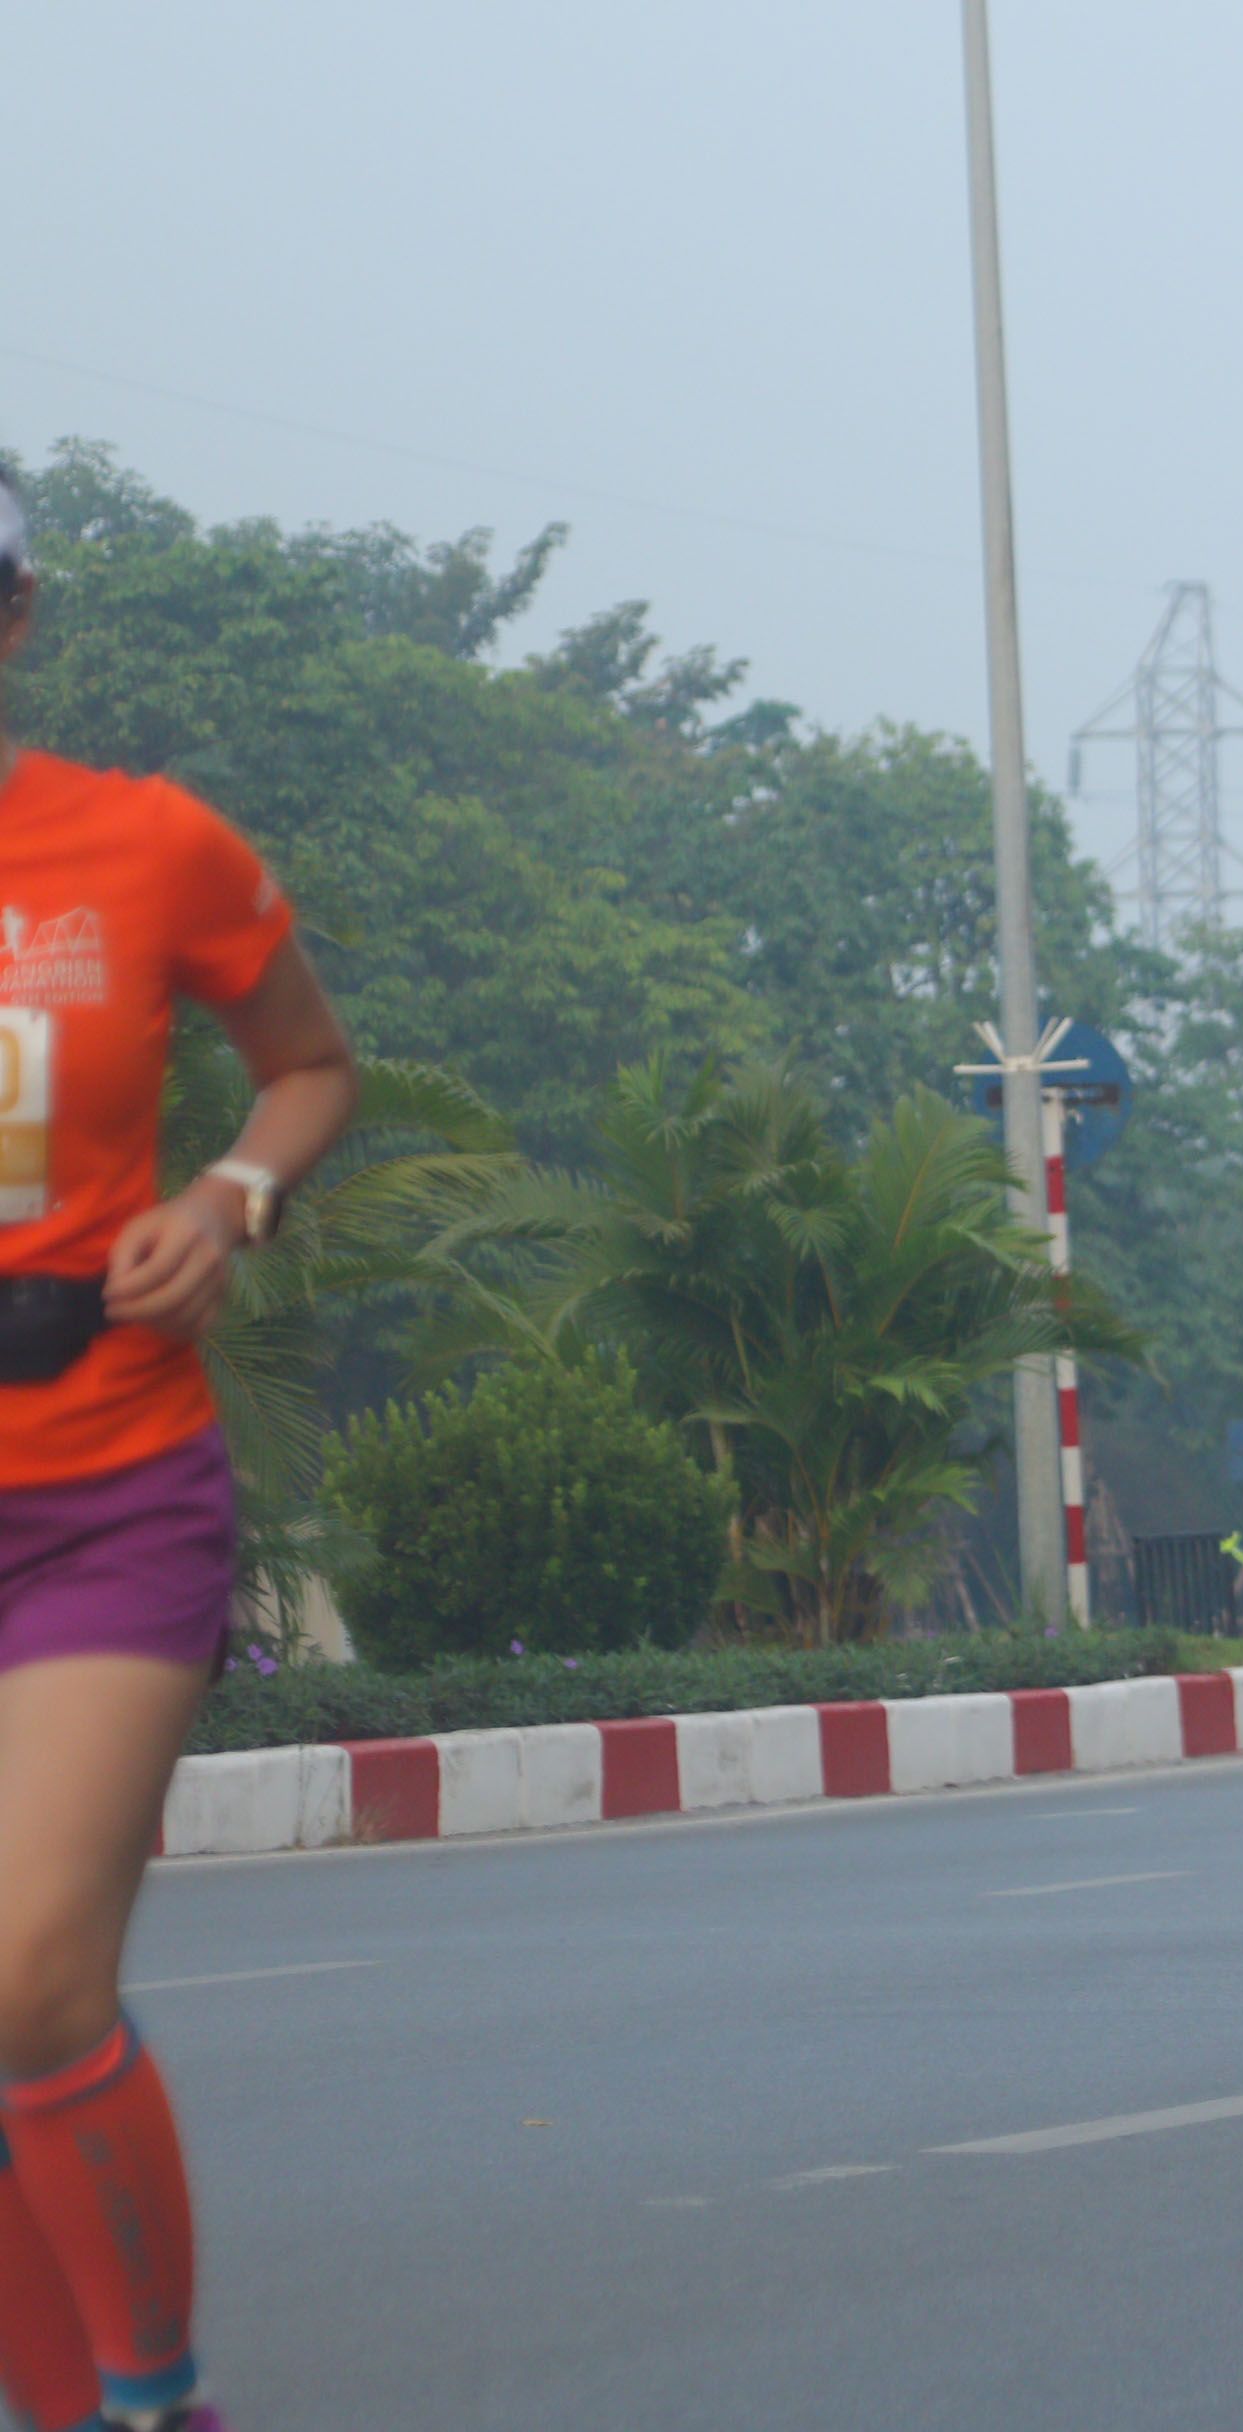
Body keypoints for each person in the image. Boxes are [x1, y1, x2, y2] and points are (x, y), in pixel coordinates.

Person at [0, 466, 358, 2432]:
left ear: (16, 617)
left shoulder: (142, 846)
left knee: (30, 1972)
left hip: (103, 1488)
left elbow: (308, 1064)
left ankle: (160, 2406)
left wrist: (229, 1199)